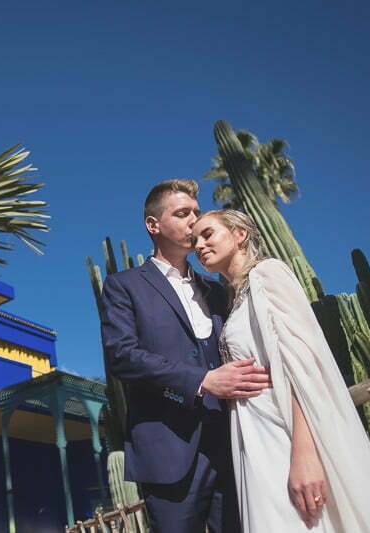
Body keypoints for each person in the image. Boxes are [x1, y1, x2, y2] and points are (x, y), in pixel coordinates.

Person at [191, 208, 370, 532]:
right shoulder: (235, 302)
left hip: (286, 436)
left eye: (207, 234)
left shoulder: (267, 275)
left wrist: (304, 454)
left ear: (240, 234)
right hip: (257, 441)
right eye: (194, 241)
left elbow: (302, 367)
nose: (199, 246)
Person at [100, 180, 271, 532]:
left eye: (196, 212)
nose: (194, 221)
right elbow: (122, 355)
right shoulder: (124, 285)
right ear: (153, 225)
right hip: (168, 450)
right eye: (182, 213)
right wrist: (202, 380)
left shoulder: (215, 287)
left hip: (232, 445)